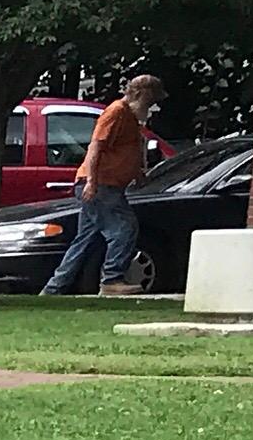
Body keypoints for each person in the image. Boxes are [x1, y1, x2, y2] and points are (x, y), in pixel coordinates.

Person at [44, 76, 164, 296]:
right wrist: (91, 181)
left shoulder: (129, 117)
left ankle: (54, 288)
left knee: (85, 241)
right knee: (125, 229)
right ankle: (112, 279)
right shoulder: (116, 112)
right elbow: (96, 147)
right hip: (102, 185)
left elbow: (122, 149)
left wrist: (136, 172)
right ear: (142, 94)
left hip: (106, 185)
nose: (153, 106)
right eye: (151, 100)